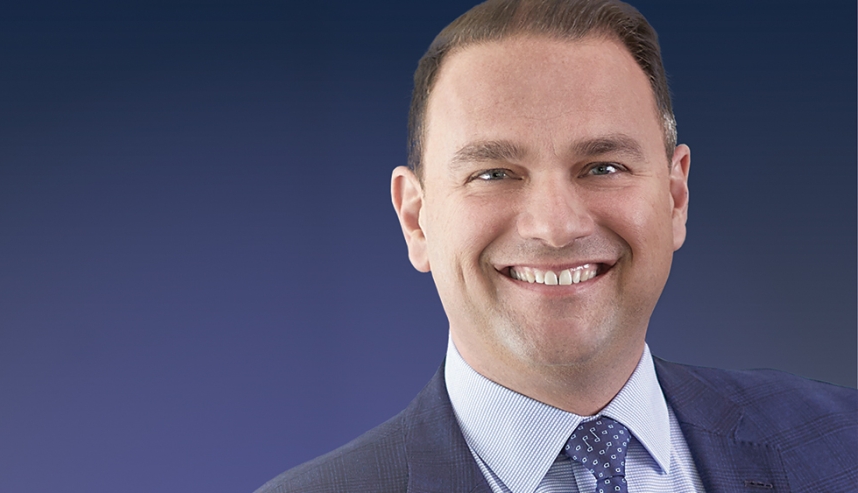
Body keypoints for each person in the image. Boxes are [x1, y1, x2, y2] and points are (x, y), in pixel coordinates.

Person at [256, 0, 857, 491]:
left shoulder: (843, 444)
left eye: (603, 167)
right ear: (416, 220)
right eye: (493, 173)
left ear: (675, 197)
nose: (555, 227)